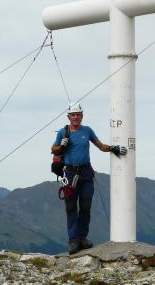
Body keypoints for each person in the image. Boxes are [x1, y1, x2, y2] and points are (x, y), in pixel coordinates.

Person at [51, 103, 127, 254]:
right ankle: (73, 241)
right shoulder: (62, 132)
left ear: (82, 116)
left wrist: (113, 148)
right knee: (71, 208)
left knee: (86, 207)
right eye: (73, 115)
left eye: (78, 114)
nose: (76, 117)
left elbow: (100, 145)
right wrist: (61, 145)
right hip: (70, 173)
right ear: (68, 117)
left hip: (86, 172)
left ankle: (82, 238)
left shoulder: (87, 130)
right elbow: (53, 149)